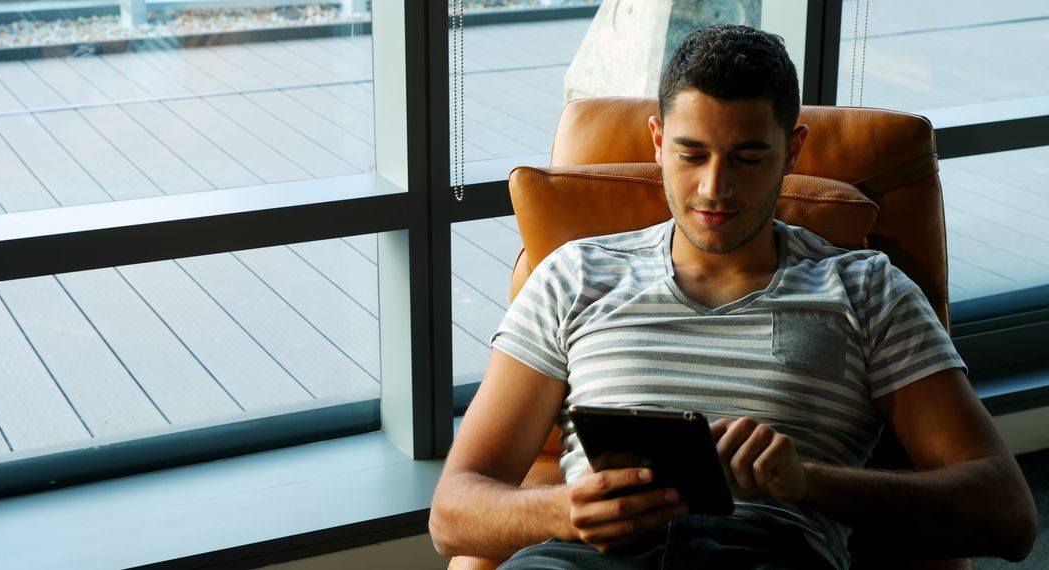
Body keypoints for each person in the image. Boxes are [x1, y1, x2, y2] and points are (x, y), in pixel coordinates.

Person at [429, 24, 1037, 569]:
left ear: (792, 152)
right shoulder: (575, 274)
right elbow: (451, 512)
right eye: (691, 154)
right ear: (657, 142)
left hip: (765, 553)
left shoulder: (866, 288)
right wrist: (564, 511)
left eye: (748, 158)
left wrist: (807, 482)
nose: (714, 189)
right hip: (582, 559)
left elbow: (1008, 514)